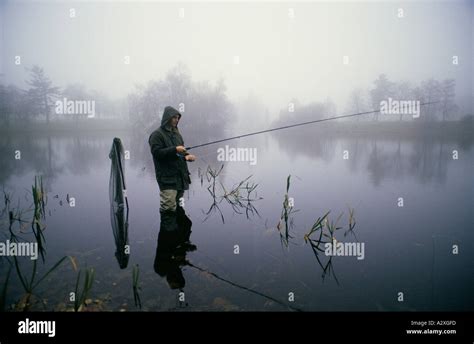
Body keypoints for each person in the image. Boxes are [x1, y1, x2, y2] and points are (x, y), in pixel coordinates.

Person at [148, 106, 196, 231]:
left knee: (179, 207)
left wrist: (187, 156)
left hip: (180, 177)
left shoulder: (176, 133)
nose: (176, 120)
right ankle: (167, 242)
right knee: (168, 209)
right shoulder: (156, 135)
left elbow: (180, 152)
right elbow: (157, 153)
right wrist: (174, 149)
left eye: (177, 117)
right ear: (167, 118)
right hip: (167, 179)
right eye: (174, 117)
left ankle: (180, 241)